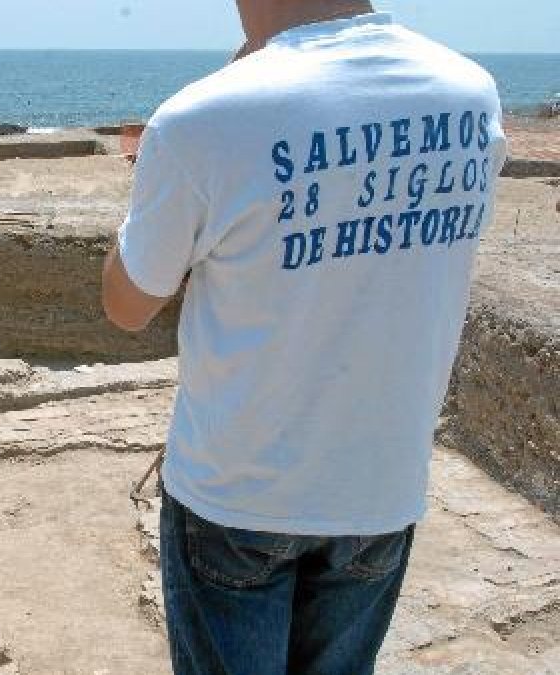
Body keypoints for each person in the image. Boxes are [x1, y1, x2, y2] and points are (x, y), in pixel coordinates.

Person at [101, 2, 507, 674]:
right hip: (380, 492)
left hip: (236, 497)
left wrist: (149, 190)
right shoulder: (471, 97)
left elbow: (126, 302)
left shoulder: (198, 123)